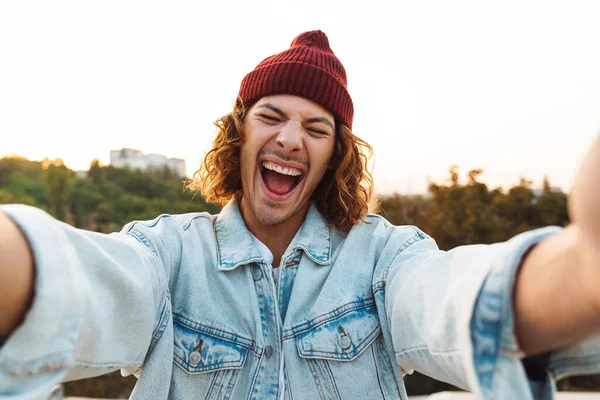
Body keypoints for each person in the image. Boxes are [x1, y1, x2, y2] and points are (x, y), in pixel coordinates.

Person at [0, 30, 599, 400]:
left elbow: (453, 302)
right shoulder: (169, 255)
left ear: (335, 155)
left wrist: (584, 265)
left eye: (316, 128)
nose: (290, 139)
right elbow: (86, 285)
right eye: (270, 116)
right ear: (238, 133)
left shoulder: (384, 258)